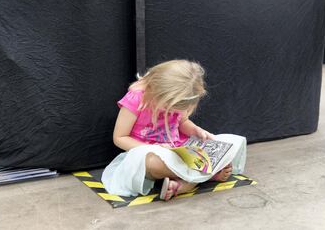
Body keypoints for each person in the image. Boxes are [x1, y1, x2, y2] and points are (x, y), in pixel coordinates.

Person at [101, 59, 247, 201]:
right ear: (159, 93)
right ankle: (198, 179)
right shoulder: (135, 100)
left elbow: (182, 122)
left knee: (232, 142)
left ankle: (186, 180)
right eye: (169, 108)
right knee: (153, 164)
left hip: (178, 149)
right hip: (147, 153)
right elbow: (119, 138)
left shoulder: (177, 97)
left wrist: (196, 130)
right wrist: (151, 148)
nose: (171, 112)